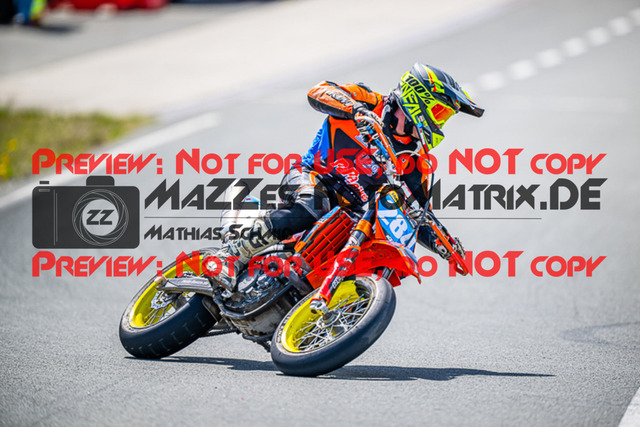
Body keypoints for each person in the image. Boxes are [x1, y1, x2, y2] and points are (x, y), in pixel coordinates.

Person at [213, 62, 484, 290]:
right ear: (416, 99)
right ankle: (232, 254)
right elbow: (319, 91)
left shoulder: (415, 162)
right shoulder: (369, 100)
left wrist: (445, 247)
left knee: (371, 252)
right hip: (313, 176)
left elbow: (418, 213)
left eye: (445, 117)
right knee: (314, 204)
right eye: (439, 112)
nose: (439, 123)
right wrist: (356, 110)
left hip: (351, 215)